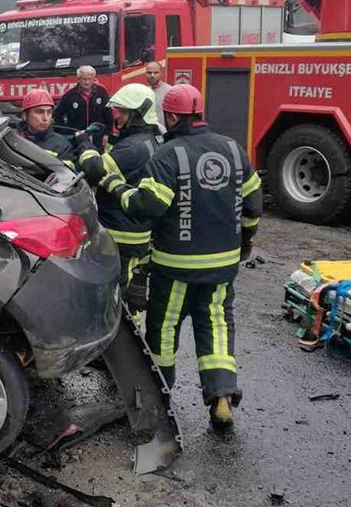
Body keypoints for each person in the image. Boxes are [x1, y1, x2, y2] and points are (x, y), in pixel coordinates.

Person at [103, 84, 262, 429]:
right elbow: (253, 205)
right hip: (222, 266)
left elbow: (149, 207)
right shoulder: (233, 149)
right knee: (216, 327)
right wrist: (244, 241)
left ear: (172, 116)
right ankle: (221, 399)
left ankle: (157, 401)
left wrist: (117, 188)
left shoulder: (167, 155)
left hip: (175, 265)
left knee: (164, 330)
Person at [76, 83, 162, 286]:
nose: (118, 117)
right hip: (133, 232)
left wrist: (85, 144)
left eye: (124, 112)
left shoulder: (133, 147)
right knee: (131, 289)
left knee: (118, 292)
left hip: (121, 234)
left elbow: (94, 169)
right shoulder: (147, 140)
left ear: (139, 113)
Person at [55, 65, 112, 146]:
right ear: (78, 79)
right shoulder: (69, 95)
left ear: (94, 79)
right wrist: (67, 133)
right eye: (84, 79)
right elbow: (57, 115)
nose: (87, 82)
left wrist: (107, 133)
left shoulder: (102, 92)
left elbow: (108, 114)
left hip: (98, 137)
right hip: (77, 139)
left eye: (90, 79)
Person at [15, 89, 71, 160]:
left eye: (49, 112)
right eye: (39, 112)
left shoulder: (62, 145)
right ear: (25, 115)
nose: (45, 118)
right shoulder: (12, 140)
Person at [145, 61, 172, 133]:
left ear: (161, 73)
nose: (152, 75)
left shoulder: (170, 92)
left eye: (156, 72)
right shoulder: (145, 92)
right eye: (149, 73)